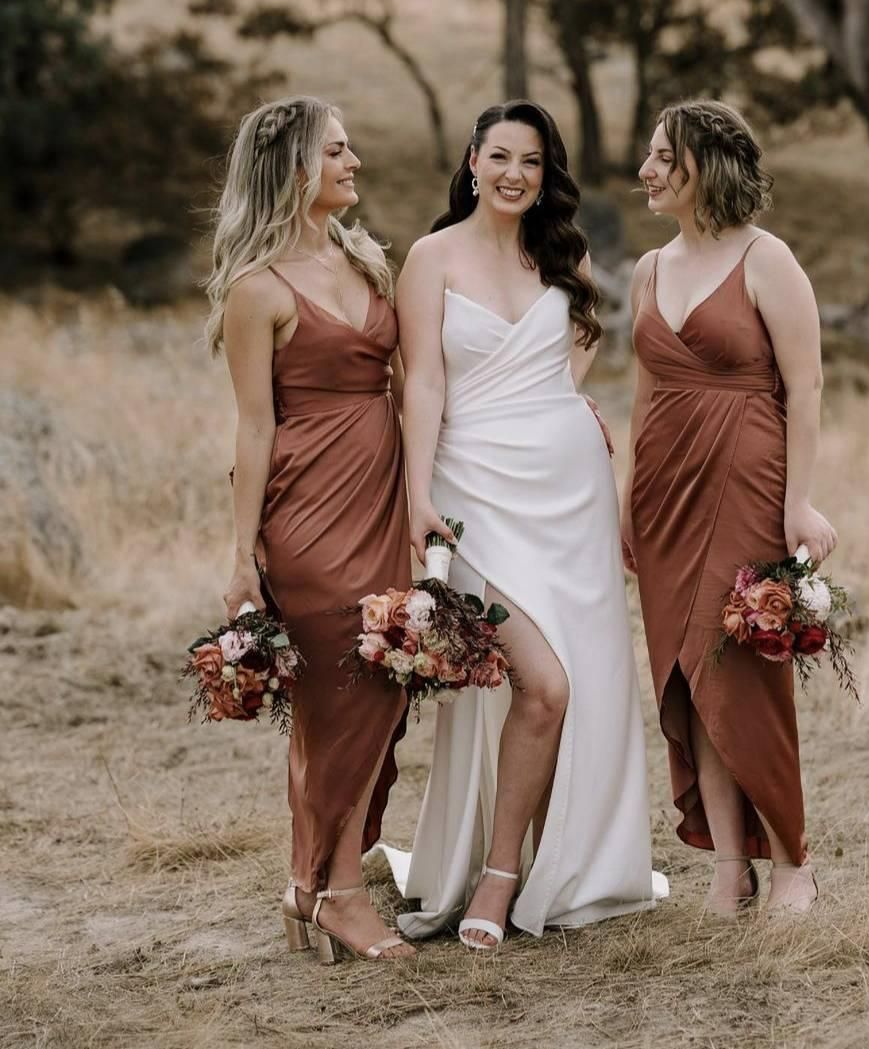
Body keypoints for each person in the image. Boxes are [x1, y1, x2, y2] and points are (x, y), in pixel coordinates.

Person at [383, 99, 665, 950]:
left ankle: (519, 869)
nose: (514, 174)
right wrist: (416, 490)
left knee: (570, 684)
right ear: (472, 160)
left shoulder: (562, 251)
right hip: (476, 491)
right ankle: (500, 873)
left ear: (547, 174)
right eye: (500, 156)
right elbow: (423, 382)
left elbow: (583, 332)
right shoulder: (431, 257)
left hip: (569, 490)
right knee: (542, 684)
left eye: (532, 162)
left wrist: (569, 398)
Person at [206, 95, 415, 962]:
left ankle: (310, 881)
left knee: (393, 679)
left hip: (386, 497)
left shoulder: (365, 259)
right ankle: (339, 892)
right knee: (340, 695)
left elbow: (409, 383)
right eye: (335, 150)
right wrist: (239, 551)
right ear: (294, 167)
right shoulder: (257, 291)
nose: (353, 160)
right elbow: (254, 428)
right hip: (308, 510)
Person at [623, 99, 836, 916]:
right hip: (663, 491)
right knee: (683, 674)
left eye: (659, 156)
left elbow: (805, 386)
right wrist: (625, 503)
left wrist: (799, 502)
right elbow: (644, 393)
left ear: (701, 165)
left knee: (741, 671)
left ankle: (791, 860)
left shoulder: (766, 258)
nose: (645, 170)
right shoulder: (647, 268)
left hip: (745, 475)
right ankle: (725, 866)